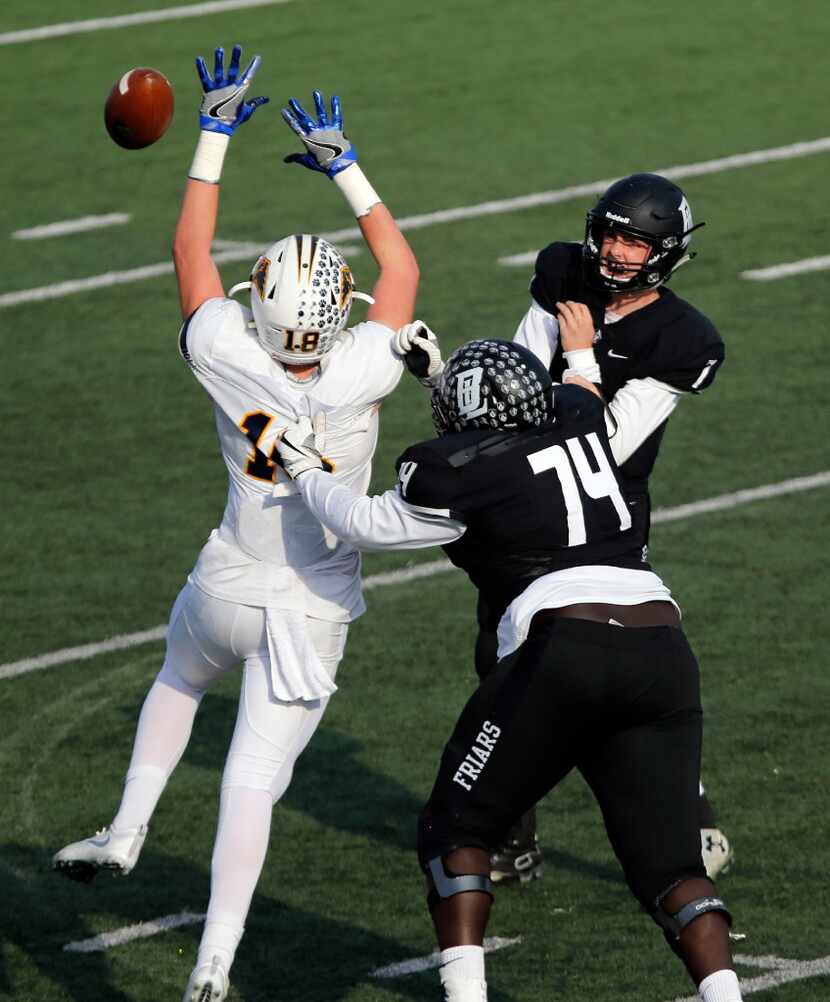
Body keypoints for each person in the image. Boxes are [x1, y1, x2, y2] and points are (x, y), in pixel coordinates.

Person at [51, 44, 437, 1002]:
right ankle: (214, 963)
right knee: (249, 789)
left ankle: (129, 824)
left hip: (228, 579)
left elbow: (190, 254)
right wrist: (345, 163)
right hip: (309, 613)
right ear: (331, 313)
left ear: (260, 307)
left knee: (179, 679)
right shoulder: (368, 363)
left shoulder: (227, 345)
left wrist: (215, 132)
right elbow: (401, 261)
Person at [272, 338, 744, 1002]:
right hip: (662, 646)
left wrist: (303, 469)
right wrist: (566, 353)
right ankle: (726, 996)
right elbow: (577, 387)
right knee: (671, 867)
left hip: (566, 646)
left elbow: (364, 523)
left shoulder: (456, 469)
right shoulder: (581, 424)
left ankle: (466, 995)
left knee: (456, 829)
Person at [478, 172, 730, 884]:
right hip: (528, 504)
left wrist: (582, 357)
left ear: (666, 251)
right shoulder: (562, 271)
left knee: (605, 670)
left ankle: (688, 800)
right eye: (612, 234)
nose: (616, 253)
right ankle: (510, 832)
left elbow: (606, 445)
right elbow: (519, 376)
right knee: (498, 659)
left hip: (607, 519)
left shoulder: (683, 339)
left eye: (635, 241)